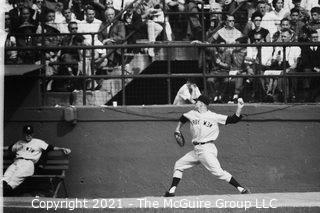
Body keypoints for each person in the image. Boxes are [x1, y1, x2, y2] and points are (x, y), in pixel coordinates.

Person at [164, 95, 249, 197]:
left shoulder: (213, 116)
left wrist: (239, 108)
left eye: (197, 102)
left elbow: (233, 119)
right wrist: (177, 129)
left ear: (202, 103)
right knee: (179, 164)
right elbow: (183, 118)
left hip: (207, 149)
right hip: (196, 150)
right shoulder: (192, 113)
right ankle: (172, 190)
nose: (195, 103)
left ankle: (241, 189)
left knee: (218, 172)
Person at [2, 125, 71, 196]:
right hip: (17, 162)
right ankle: (3, 188)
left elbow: (51, 147)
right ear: (23, 134)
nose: (28, 135)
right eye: (26, 134)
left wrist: (62, 148)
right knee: (7, 175)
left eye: (30, 134)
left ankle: (5, 190)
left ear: (33, 134)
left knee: (16, 177)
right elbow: (9, 148)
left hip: (28, 163)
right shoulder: (19, 142)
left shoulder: (38, 142)